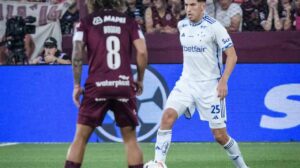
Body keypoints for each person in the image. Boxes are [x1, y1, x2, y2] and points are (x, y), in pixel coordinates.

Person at [145, 0, 249, 168]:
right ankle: (159, 163)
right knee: (167, 116)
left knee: (220, 136)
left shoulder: (215, 27)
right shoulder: (182, 26)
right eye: (186, 5)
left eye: (193, 5)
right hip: (186, 84)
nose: (188, 9)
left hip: (210, 87)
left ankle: (243, 166)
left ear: (203, 6)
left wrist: (223, 81)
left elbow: (232, 55)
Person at [64, 0, 148, 168]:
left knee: (80, 138)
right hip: (123, 85)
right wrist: (139, 79)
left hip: (97, 86)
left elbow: (77, 52)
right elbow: (142, 51)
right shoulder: (129, 22)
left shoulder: (85, 22)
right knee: (130, 140)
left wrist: (76, 85)